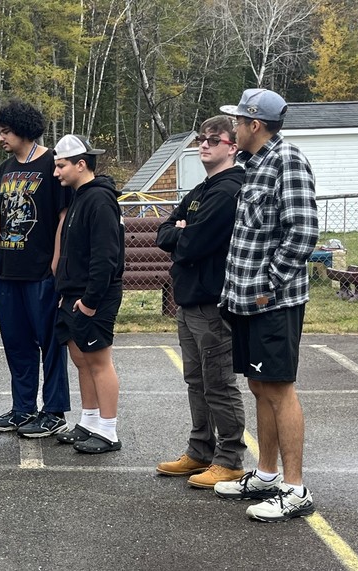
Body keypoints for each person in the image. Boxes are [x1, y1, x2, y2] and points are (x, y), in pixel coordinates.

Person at [212, 89, 319, 522]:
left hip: (271, 302)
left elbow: (304, 233)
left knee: (278, 388)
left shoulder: (287, 160)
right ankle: (267, 475)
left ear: (255, 125)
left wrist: (270, 285)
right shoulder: (252, 166)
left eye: (237, 121)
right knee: (259, 387)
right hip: (246, 302)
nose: (232, 127)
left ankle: (295, 489)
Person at [155, 116, 248, 488]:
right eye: (201, 139)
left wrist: (182, 234)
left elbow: (191, 243)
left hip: (213, 302)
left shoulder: (229, 189)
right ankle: (200, 450)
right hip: (188, 300)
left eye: (214, 139)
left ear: (232, 146)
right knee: (195, 379)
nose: (204, 145)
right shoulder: (200, 190)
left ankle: (230, 458)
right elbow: (165, 232)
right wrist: (180, 232)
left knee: (218, 382)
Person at [0, 99, 72, 437]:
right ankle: (22, 409)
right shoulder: (5, 169)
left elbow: (63, 217)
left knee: (50, 344)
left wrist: (54, 265)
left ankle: (54, 411)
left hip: (41, 274)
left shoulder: (53, 165)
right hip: (7, 274)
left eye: (5, 132)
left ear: (22, 130)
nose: (1, 138)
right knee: (16, 344)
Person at [50, 134, 125, 454]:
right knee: (81, 360)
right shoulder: (79, 196)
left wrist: (91, 301)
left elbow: (105, 256)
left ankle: (108, 431)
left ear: (81, 165)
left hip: (94, 296)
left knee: (98, 360)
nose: (56, 173)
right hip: (73, 294)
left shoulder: (99, 199)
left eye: (61, 166)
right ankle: (90, 421)